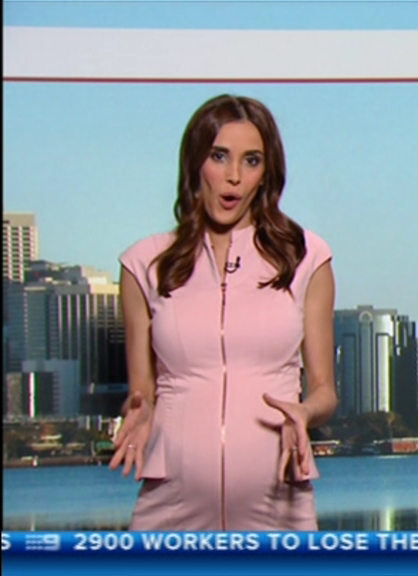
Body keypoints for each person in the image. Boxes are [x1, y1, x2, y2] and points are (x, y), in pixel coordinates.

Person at [109, 94, 338, 531]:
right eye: (219, 156)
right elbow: (143, 392)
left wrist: (306, 412)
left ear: (266, 173)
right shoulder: (144, 264)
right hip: (170, 509)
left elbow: (325, 390)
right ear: (195, 162)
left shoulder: (305, 257)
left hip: (278, 508)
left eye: (251, 161)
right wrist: (139, 411)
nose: (234, 176)